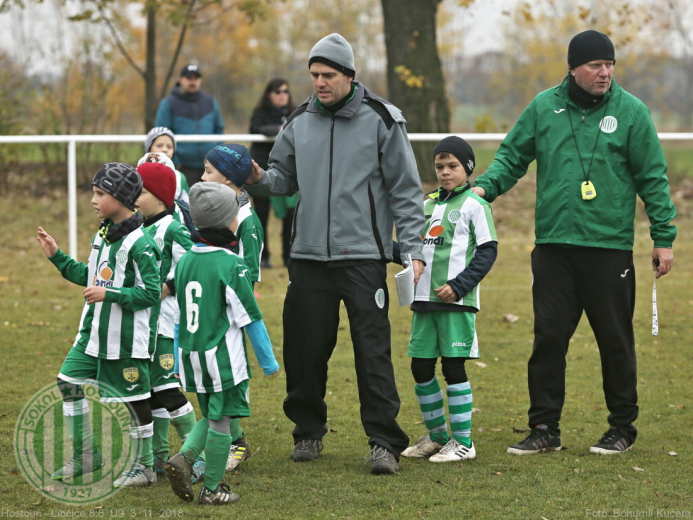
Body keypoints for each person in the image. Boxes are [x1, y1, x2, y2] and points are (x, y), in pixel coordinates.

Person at [471, 30, 677, 455]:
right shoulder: (544, 107)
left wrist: (663, 237)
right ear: (573, 68)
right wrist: (484, 189)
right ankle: (544, 429)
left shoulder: (632, 113)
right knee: (548, 340)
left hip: (608, 248)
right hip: (554, 247)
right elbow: (512, 157)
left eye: (610, 65)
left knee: (615, 341)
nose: (605, 73)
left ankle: (622, 427)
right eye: (595, 66)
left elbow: (653, 177)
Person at [244, 33, 425, 475]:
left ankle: (384, 442)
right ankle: (307, 431)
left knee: (372, 352)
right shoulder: (298, 120)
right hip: (306, 257)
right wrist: (257, 176)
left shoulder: (383, 119)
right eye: (314, 75)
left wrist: (415, 248)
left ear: (349, 76)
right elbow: (283, 178)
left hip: (363, 257)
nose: (319, 83)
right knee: (305, 350)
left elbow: (406, 190)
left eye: (327, 75)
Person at [37, 163, 162, 487]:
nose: (92, 200)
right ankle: (87, 455)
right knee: (68, 382)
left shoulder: (140, 243)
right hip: (93, 335)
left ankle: (145, 466)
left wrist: (111, 294)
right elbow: (90, 277)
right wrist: (57, 257)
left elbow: (150, 293)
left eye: (99, 193)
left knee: (134, 401)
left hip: (125, 340)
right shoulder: (103, 234)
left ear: (120, 198)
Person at [164, 182, 279, 506]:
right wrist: (268, 361)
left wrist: (174, 357)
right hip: (221, 358)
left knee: (214, 414)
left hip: (190, 356)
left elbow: (177, 316)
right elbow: (250, 317)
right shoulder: (231, 264)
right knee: (222, 420)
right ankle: (212, 488)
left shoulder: (185, 260)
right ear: (229, 221)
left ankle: (184, 459)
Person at [401, 137, 497, 463]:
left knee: (453, 367)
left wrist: (460, 285)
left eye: (452, 166)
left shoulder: (476, 205)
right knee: (420, 367)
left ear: (467, 168)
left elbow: (487, 252)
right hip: (424, 300)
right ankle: (438, 437)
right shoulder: (426, 204)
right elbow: (412, 242)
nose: (445, 172)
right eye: (440, 166)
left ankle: (464, 443)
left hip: (456, 301)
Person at [134, 162, 205, 482]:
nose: (135, 196)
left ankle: (198, 459)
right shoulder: (140, 227)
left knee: (167, 388)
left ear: (163, 198)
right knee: (150, 390)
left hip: (163, 321)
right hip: (142, 323)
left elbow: (190, 263)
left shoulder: (174, 228)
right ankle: (160, 458)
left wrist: (167, 287)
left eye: (143, 191)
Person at [201, 143, 265, 472]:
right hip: (210, 311)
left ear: (228, 180)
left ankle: (235, 442)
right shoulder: (216, 214)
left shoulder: (247, 223)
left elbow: (248, 276)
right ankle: (229, 438)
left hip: (230, 315)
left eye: (209, 171)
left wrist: (235, 312)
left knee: (229, 379)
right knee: (212, 376)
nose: (202, 176)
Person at [249, 78, 297, 268]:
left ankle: (288, 256)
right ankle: (263, 257)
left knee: (289, 216)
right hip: (261, 168)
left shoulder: (295, 113)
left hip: (288, 171)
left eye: (285, 91)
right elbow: (255, 129)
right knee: (261, 216)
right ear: (269, 94)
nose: (282, 95)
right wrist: (277, 130)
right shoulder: (260, 112)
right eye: (278, 92)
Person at [155, 64, 224, 187]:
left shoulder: (210, 101)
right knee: (185, 205)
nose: (193, 81)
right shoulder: (168, 103)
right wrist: (175, 161)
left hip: (210, 167)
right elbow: (161, 133)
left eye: (196, 78)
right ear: (180, 80)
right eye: (189, 78)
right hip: (183, 167)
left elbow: (219, 128)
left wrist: (216, 156)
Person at [144, 126, 191, 203]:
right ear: (149, 149)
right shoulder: (138, 175)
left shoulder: (180, 177)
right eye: (159, 146)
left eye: (169, 147)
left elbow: (188, 207)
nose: (164, 150)